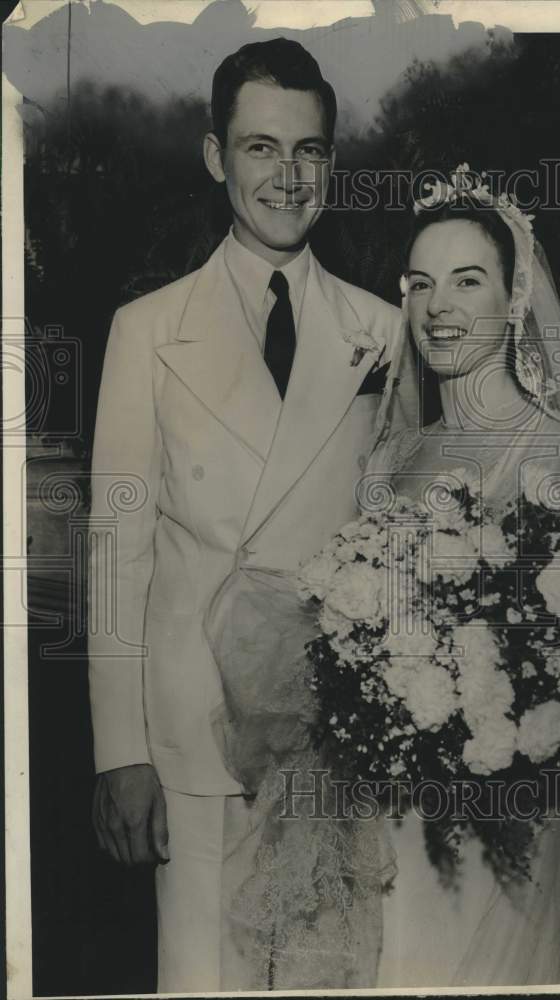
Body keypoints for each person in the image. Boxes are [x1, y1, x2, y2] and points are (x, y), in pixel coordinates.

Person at [88, 39, 415, 993]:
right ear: (213, 156)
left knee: (332, 974)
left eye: (308, 150)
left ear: (331, 164)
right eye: (261, 147)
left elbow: (401, 539)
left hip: (336, 738)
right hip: (192, 738)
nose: (287, 174)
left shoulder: (383, 332)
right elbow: (116, 556)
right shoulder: (146, 331)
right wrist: (120, 753)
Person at [366, 171, 560, 986]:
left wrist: (503, 704)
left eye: (465, 281)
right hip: (396, 815)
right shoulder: (390, 458)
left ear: (514, 299)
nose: (437, 306)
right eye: (419, 284)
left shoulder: (551, 454)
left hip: (518, 819)